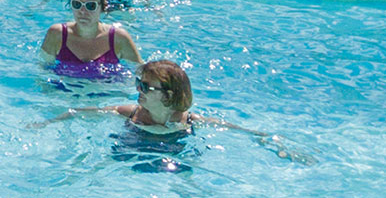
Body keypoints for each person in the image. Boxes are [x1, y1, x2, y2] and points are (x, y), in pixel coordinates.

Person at [53, 59, 314, 162]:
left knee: (189, 194)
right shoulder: (128, 113)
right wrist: (48, 124)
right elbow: (79, 111)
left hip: (175, 157)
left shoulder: (190, 121)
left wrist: (277, 145)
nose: (138, 89)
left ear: (168, 95)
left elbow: (247, 133)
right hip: (128, 156)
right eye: (139, 83)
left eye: (146, 86)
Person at [41, 0, 141, 79]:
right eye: (77, 4)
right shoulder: (57, 34)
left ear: (103, 7)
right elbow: (43, 72)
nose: (83, 11)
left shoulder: (119, 38)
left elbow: (141, 75)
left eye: (90, 5)